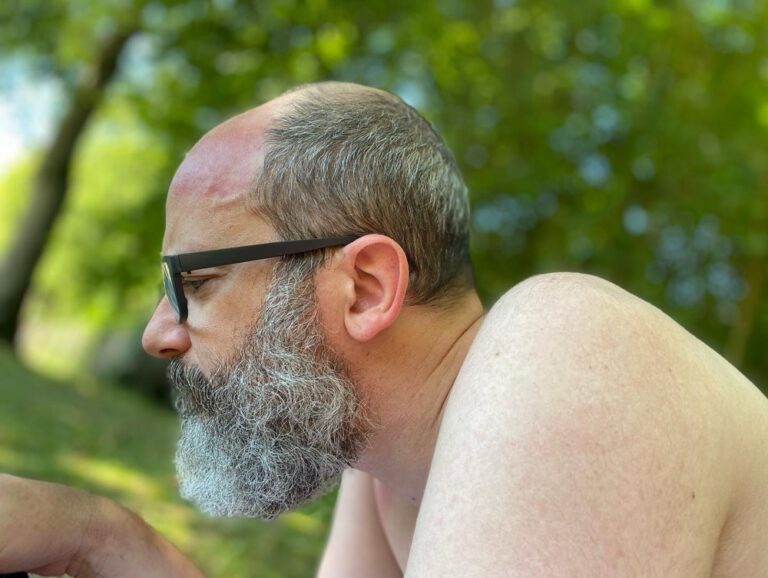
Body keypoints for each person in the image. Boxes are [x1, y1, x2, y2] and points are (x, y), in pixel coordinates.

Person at [1, 81, 767, 577]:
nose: (158, 334)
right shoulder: (390, 471)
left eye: (193, 283)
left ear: (366, 287)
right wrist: (104, 539)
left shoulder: (573, 349)